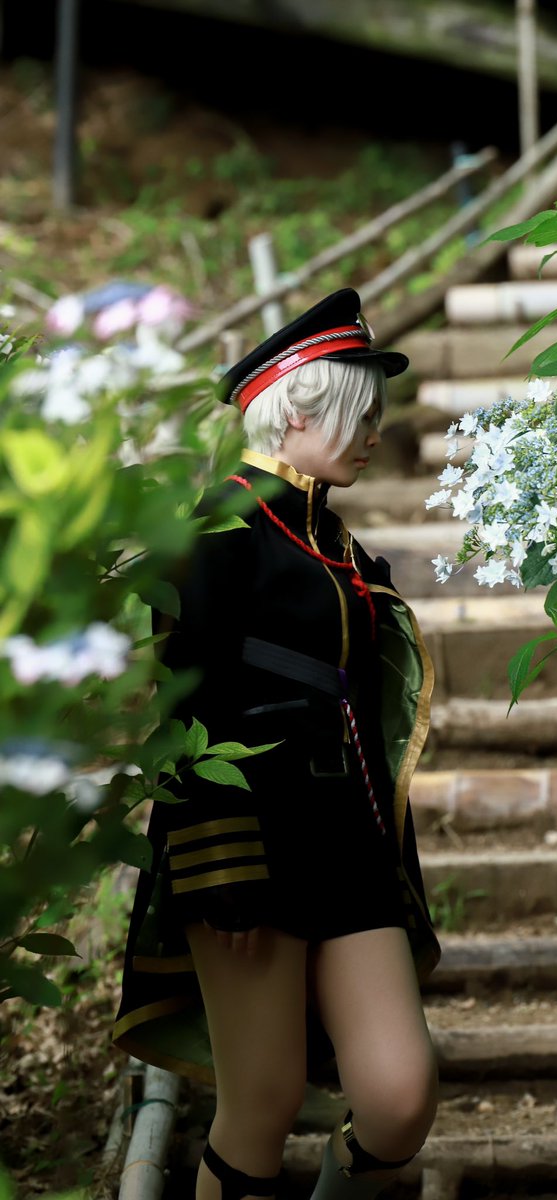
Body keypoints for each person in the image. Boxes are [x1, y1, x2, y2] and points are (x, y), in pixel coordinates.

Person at [112, 288, 441, 1200]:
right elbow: (189, 710)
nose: (374, 431)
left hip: (347, 846)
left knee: (399, 1096)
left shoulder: (334, 544)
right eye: (358, 414)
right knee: (260, 1102)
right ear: (296, 412)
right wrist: (222, 866)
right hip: (248, 849)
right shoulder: (214, 535)